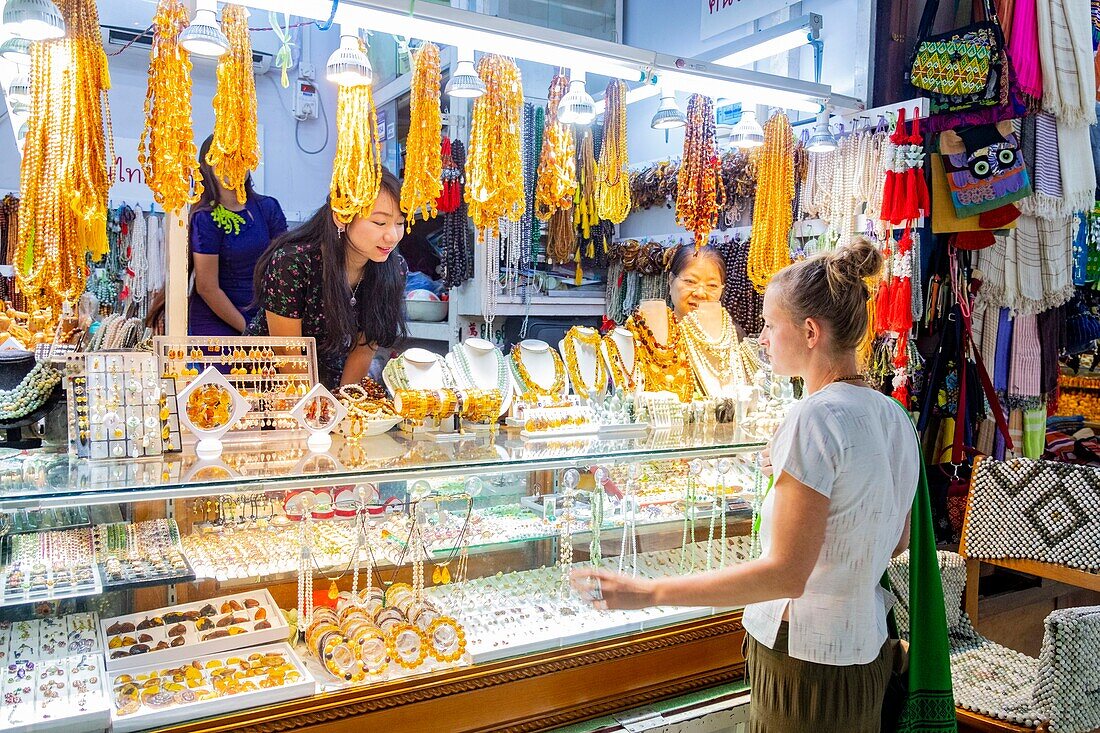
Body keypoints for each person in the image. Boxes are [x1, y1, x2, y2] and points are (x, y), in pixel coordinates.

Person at [573, 237, 919, 733]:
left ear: (809, 331)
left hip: (804, 662)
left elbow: (785, 576)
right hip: (863, 652)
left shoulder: (813, 418)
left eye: (769, 325)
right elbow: (895, 541)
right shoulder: (892, 416)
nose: (760, 337)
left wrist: (649, 592)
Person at [247, 168, 408, 388]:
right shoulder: (292, 264)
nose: (392, 236)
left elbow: (363, 350)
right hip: (270, 377)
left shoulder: (393, 269)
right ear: (342, 217)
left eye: (400, 223)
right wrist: (316, 413)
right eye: (380, 223)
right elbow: (288, 353)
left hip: (331, 379)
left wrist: (345, 404)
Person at [189, 134, 288, 336]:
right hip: (217, 322)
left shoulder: (268, 207)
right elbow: (207, 287)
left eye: (241, 158)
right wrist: (249, 331)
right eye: (225, 158)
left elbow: (284, 268)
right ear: (208, 165)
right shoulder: (205, 218)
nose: (234, 165)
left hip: (265, 318)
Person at [667, 243, 725, 321]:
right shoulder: (651, 329)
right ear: (671, 281)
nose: (700, 293)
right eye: (690, 281)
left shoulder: (734, 332)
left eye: (712, 285)